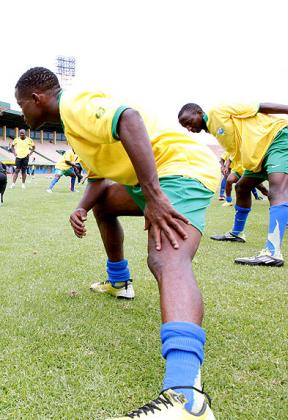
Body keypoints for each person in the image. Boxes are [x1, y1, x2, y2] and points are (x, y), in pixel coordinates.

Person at [15, 67, 220, 419]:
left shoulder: (75, 103)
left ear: (37, 98)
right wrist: (80, 208)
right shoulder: (74, 128)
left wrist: (154, 197)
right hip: (156, 175)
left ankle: (186, 398)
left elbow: (129, 118)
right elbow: (98, 179)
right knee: (105, 203)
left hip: (181, 169)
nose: (23, 114)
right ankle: (119, 281)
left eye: (22, 107)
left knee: (166, 257)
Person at [178, 102, 288, 267]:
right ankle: (237, 233)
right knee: (241, 187)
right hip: (257, 157)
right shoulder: (214, 130)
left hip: (277, 138)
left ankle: (272, 252)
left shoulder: (218, 110)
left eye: (188, 122)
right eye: (185, 126)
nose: (188, 128)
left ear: (198, 112)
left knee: (277, 191)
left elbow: (260, 106)